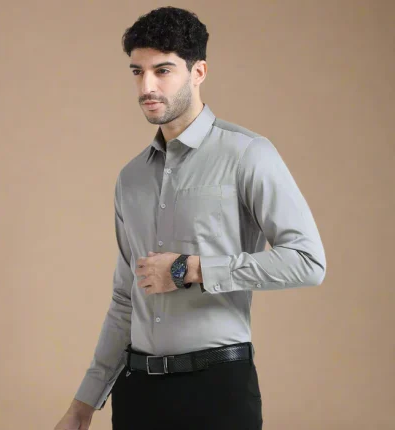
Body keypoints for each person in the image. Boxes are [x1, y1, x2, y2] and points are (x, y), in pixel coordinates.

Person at [54, 6, 326, 430]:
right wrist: (83, 404)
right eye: (137, 72)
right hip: (137, 393)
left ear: (198, 72)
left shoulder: (247, 154)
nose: (147, 86)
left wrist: (190, 269)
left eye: (162, 70)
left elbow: (308, 261)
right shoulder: (131, 178)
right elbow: (126, 298)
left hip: (217, 390)